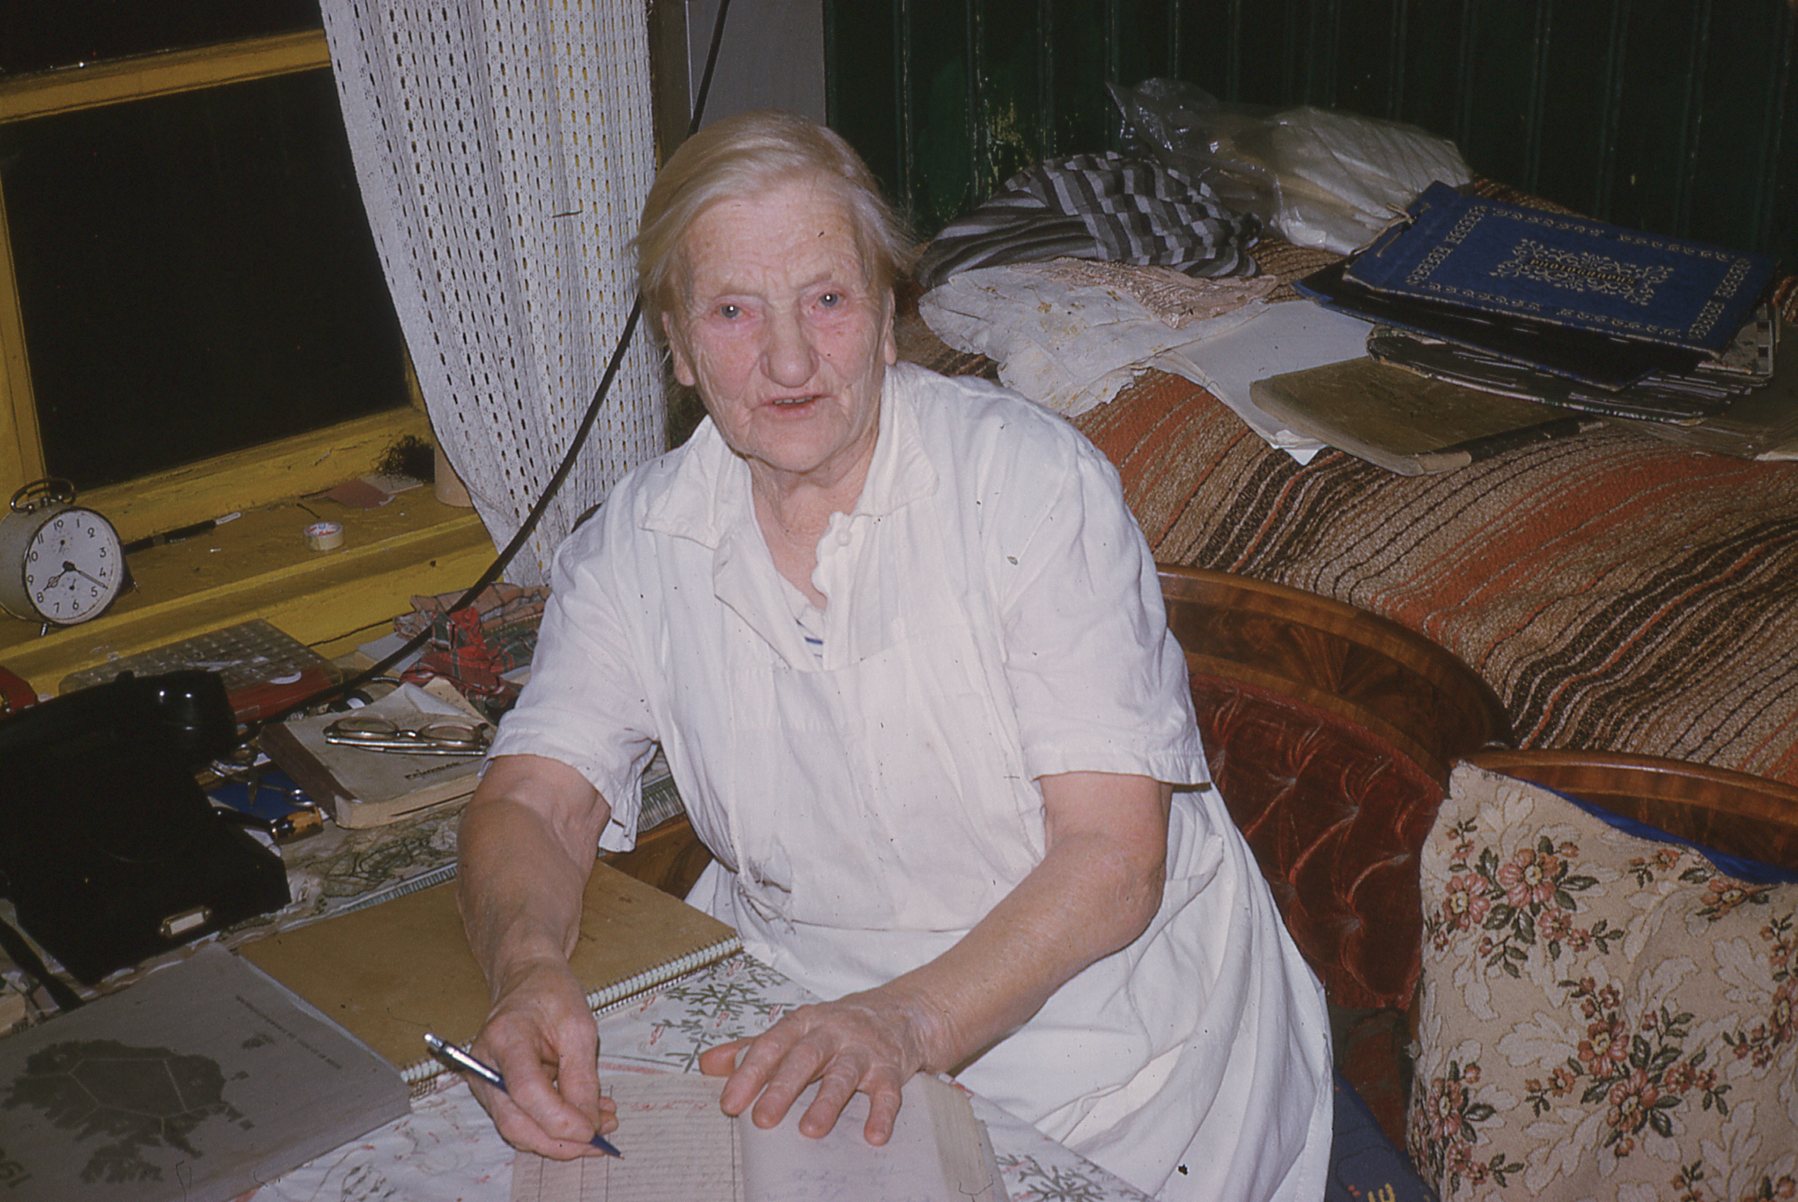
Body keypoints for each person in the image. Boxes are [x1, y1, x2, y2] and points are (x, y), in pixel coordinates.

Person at [457, 109, 1332, 1201]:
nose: (787, 359)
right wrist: (528, 969)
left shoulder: (1029, 485)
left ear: (883, 314)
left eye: (826, 299)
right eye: (732, 310)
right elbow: (532, 802)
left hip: (1119, 1053)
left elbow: (1113, 861)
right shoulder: (635, 544)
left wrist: (903, 1021)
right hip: (802, 1021)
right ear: (677, 344)